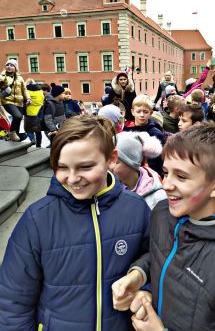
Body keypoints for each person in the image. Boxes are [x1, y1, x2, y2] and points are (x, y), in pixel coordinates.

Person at [112, 122, 215, 331]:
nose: (167, 184)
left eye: (181, 176)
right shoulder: (163, 212)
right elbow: (162, 253)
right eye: (167, 172)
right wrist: (139, 275)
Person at [0, 115, 150, 331]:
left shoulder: (136, 209)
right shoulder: (37, 219)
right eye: (62, 167)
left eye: (85, 167)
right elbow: (13, 302)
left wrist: (140, 279)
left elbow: (155, 259)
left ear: (112, 159)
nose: (72, 178)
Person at [113, 131, 167, 209]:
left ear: (131, 164)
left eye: (116, 162)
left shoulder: (158, 199)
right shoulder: (108, 188)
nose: (109, 166)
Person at [124, 94, 164, 177]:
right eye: (138, 111)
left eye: (145, 112)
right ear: (132, 112)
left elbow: (158, 161)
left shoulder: (155, 133)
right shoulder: (126, 129)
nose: (142, 115)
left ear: (151, 113)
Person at [0, 59, 30, 141]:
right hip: (7, 101)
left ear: (15, 67)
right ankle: (12, 132)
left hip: (19, 102)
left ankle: (14, 139)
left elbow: (24, 90)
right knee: (18, 116)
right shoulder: (2, 77)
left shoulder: (19, 78)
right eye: (7, 65)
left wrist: (28, 98)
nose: (9, 66)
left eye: (11, 65)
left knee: (18, 119)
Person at [24, 78, 44, 147]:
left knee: (28, 130)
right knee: (38, 131)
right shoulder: (41, 92)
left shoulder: (26, 92)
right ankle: (39, 145)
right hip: (39, 114)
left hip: (29, 113)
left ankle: (32, 139)